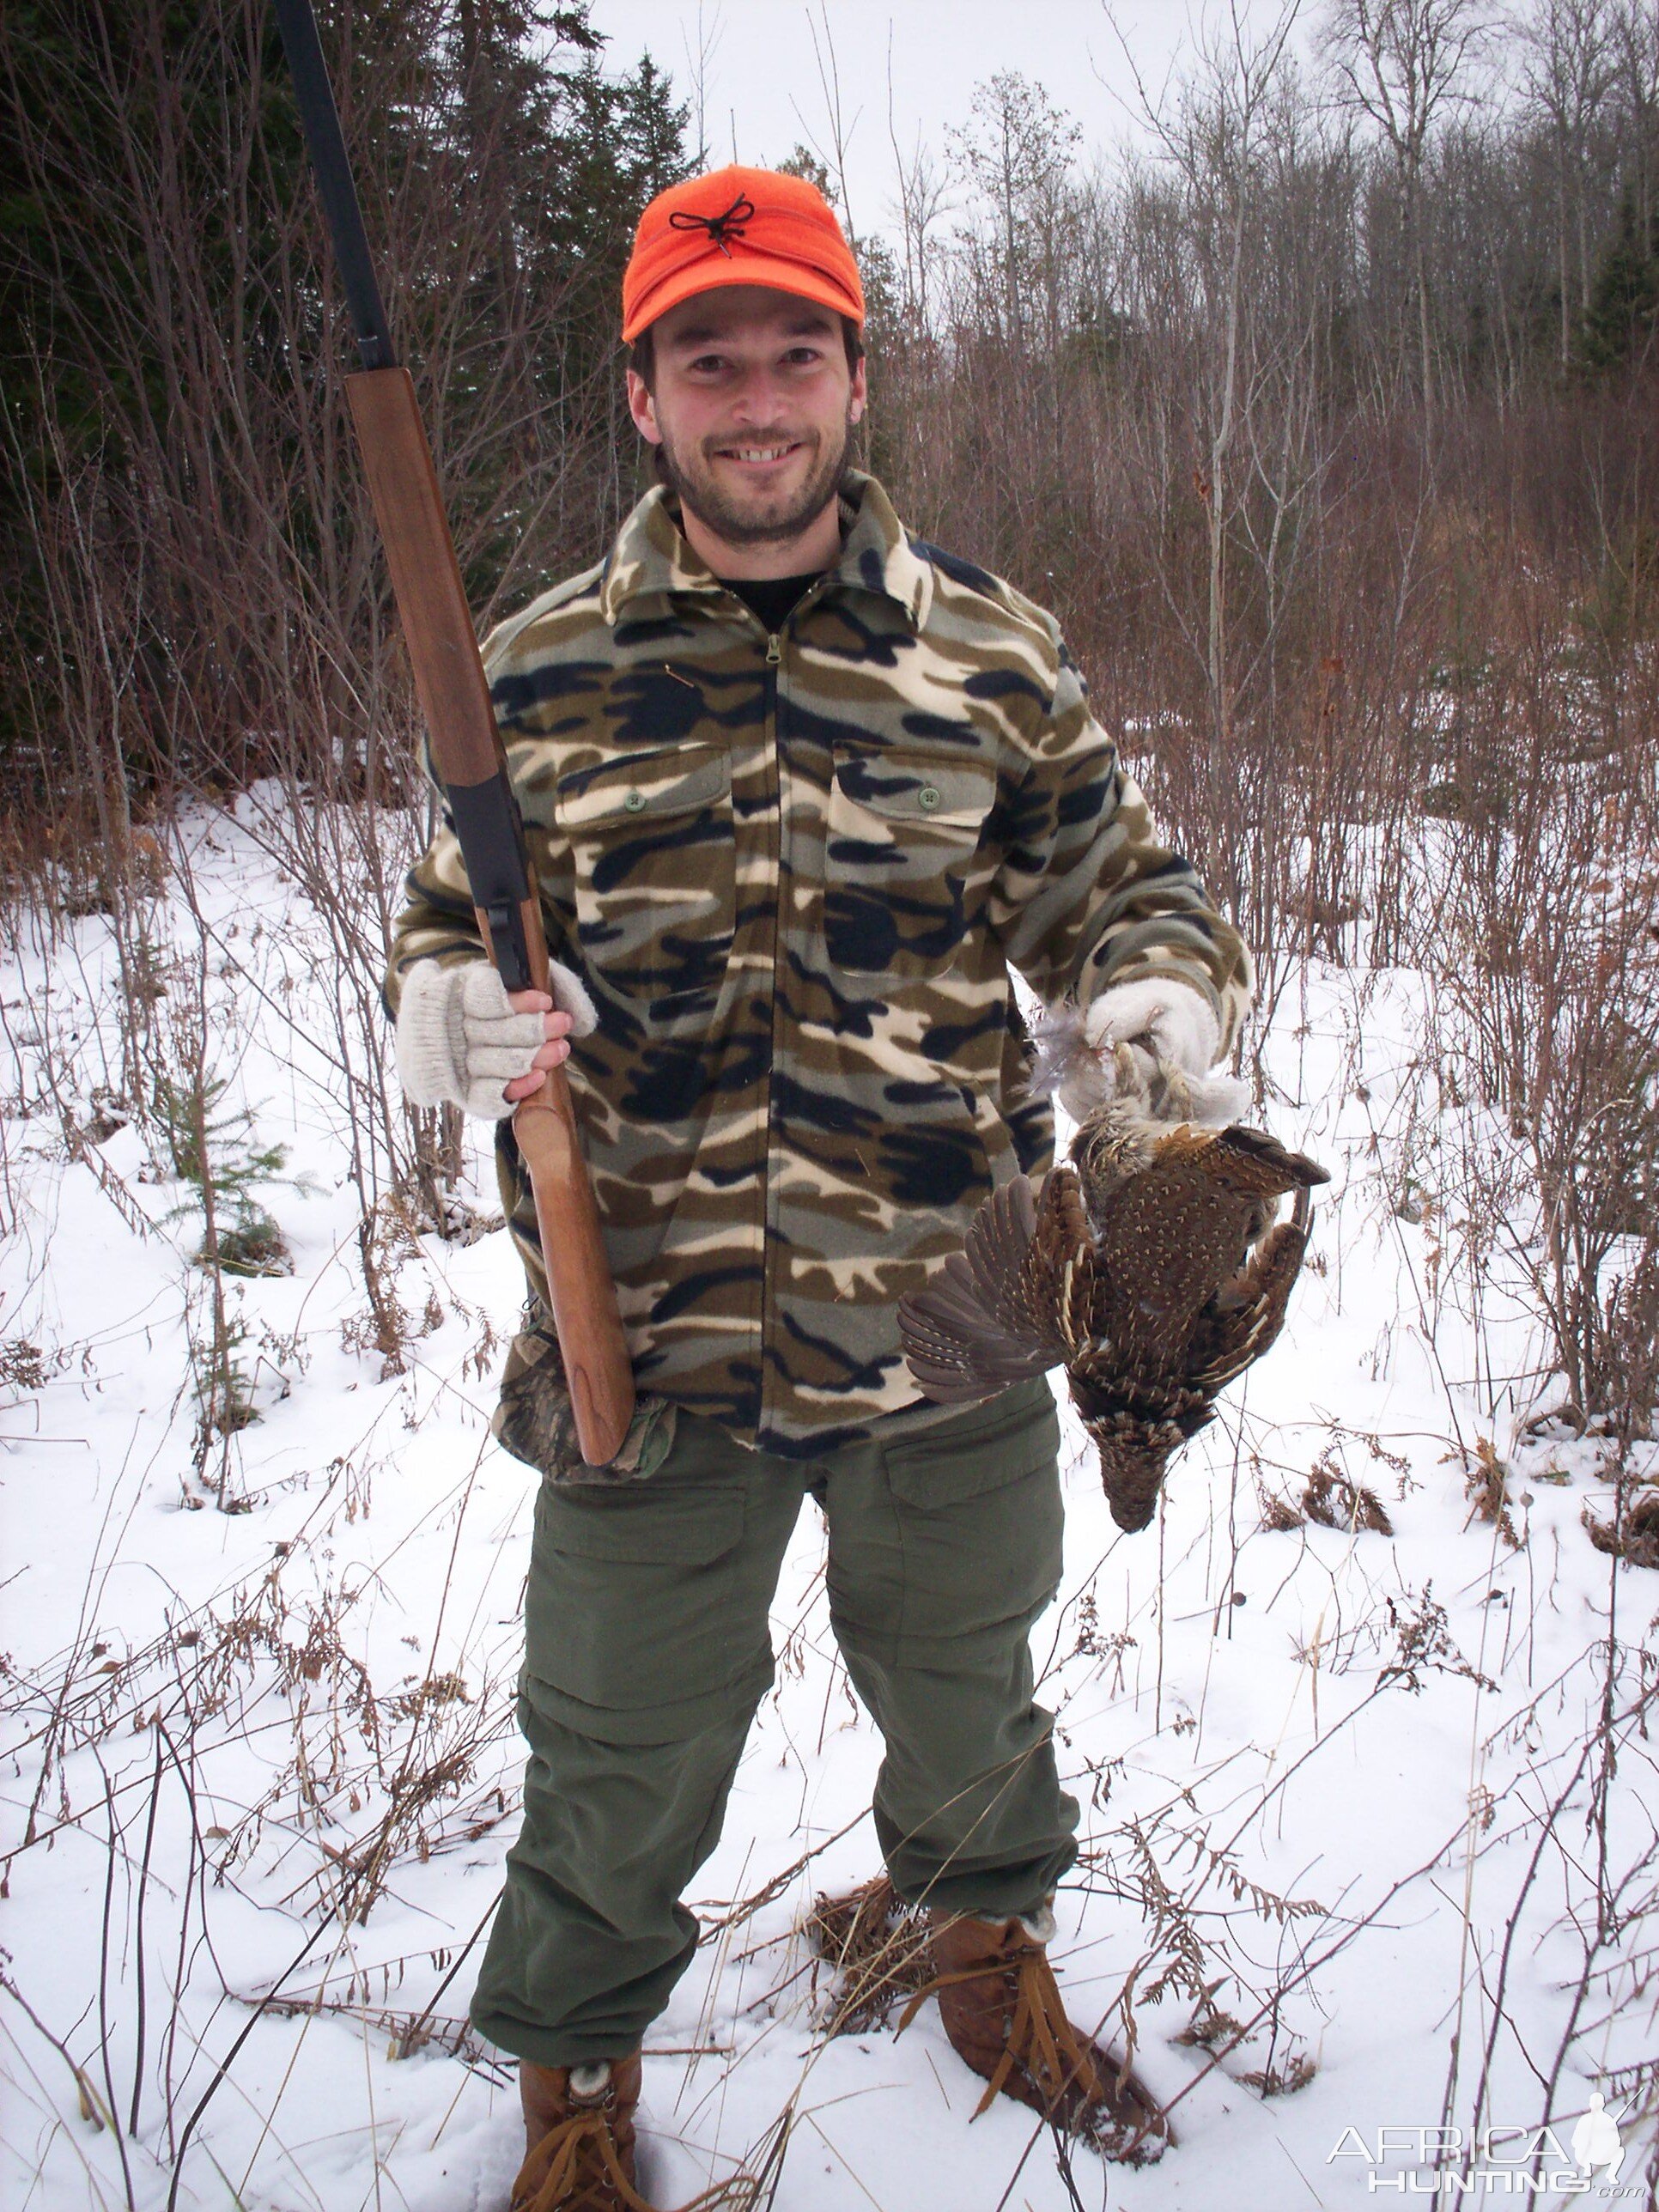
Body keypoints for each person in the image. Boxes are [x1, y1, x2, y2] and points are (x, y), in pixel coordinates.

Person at [386, 164, 1252, 2212]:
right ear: (644, 395)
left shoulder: (985, 649)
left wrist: (1152, 990)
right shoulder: (536, 668)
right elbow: (454, 922)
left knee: (971, 1693)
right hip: (644, 1326)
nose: (754, 396)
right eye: (710, 358)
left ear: (856, 378)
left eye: (796, 351)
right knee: (616, 1745)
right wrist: (444, 1009)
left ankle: (980, 1956)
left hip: (945, 1304)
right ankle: (577, 2093)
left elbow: (1122, 881)